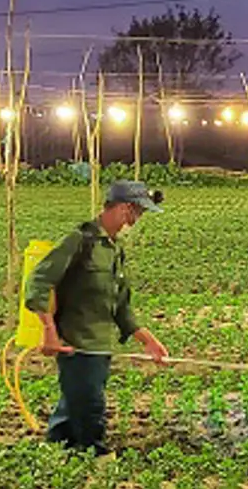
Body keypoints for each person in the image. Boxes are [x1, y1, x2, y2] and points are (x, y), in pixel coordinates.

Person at [25, 179, 170, 454]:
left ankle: (55, 456)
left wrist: (147, 340)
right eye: (138, 212)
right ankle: (96, 460)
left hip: (101, 346)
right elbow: (39, 281)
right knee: (89, 408)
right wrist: (49, 330)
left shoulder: (114, 249)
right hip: (77, 344)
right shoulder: (80, 240)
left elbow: (120, 305)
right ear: (125, 208)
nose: (137, 220)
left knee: (72, 408)